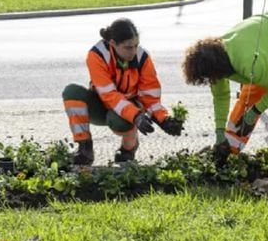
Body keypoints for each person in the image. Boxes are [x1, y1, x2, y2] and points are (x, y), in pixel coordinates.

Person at [182, 11, 268, 177]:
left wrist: (255, 112)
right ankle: (228, 149)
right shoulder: (214, 59)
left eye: (210, 78)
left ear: (216, 69)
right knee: (251, 94)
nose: (211, 81)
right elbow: (220, 97)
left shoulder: (248, 62)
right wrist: (219, 132)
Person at [62, 17, 183, 165]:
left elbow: (150, 96)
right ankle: (84, 148)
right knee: (72, 92)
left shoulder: (142, 57)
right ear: (112, 43)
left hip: (129, 106)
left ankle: (128, 149)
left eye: (136, 45)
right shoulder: (97, 55)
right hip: (101, 104)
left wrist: (164, 120)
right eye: (128, 47)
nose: (133, 51)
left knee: (121, 122)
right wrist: (136, 116)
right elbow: (108, 95)